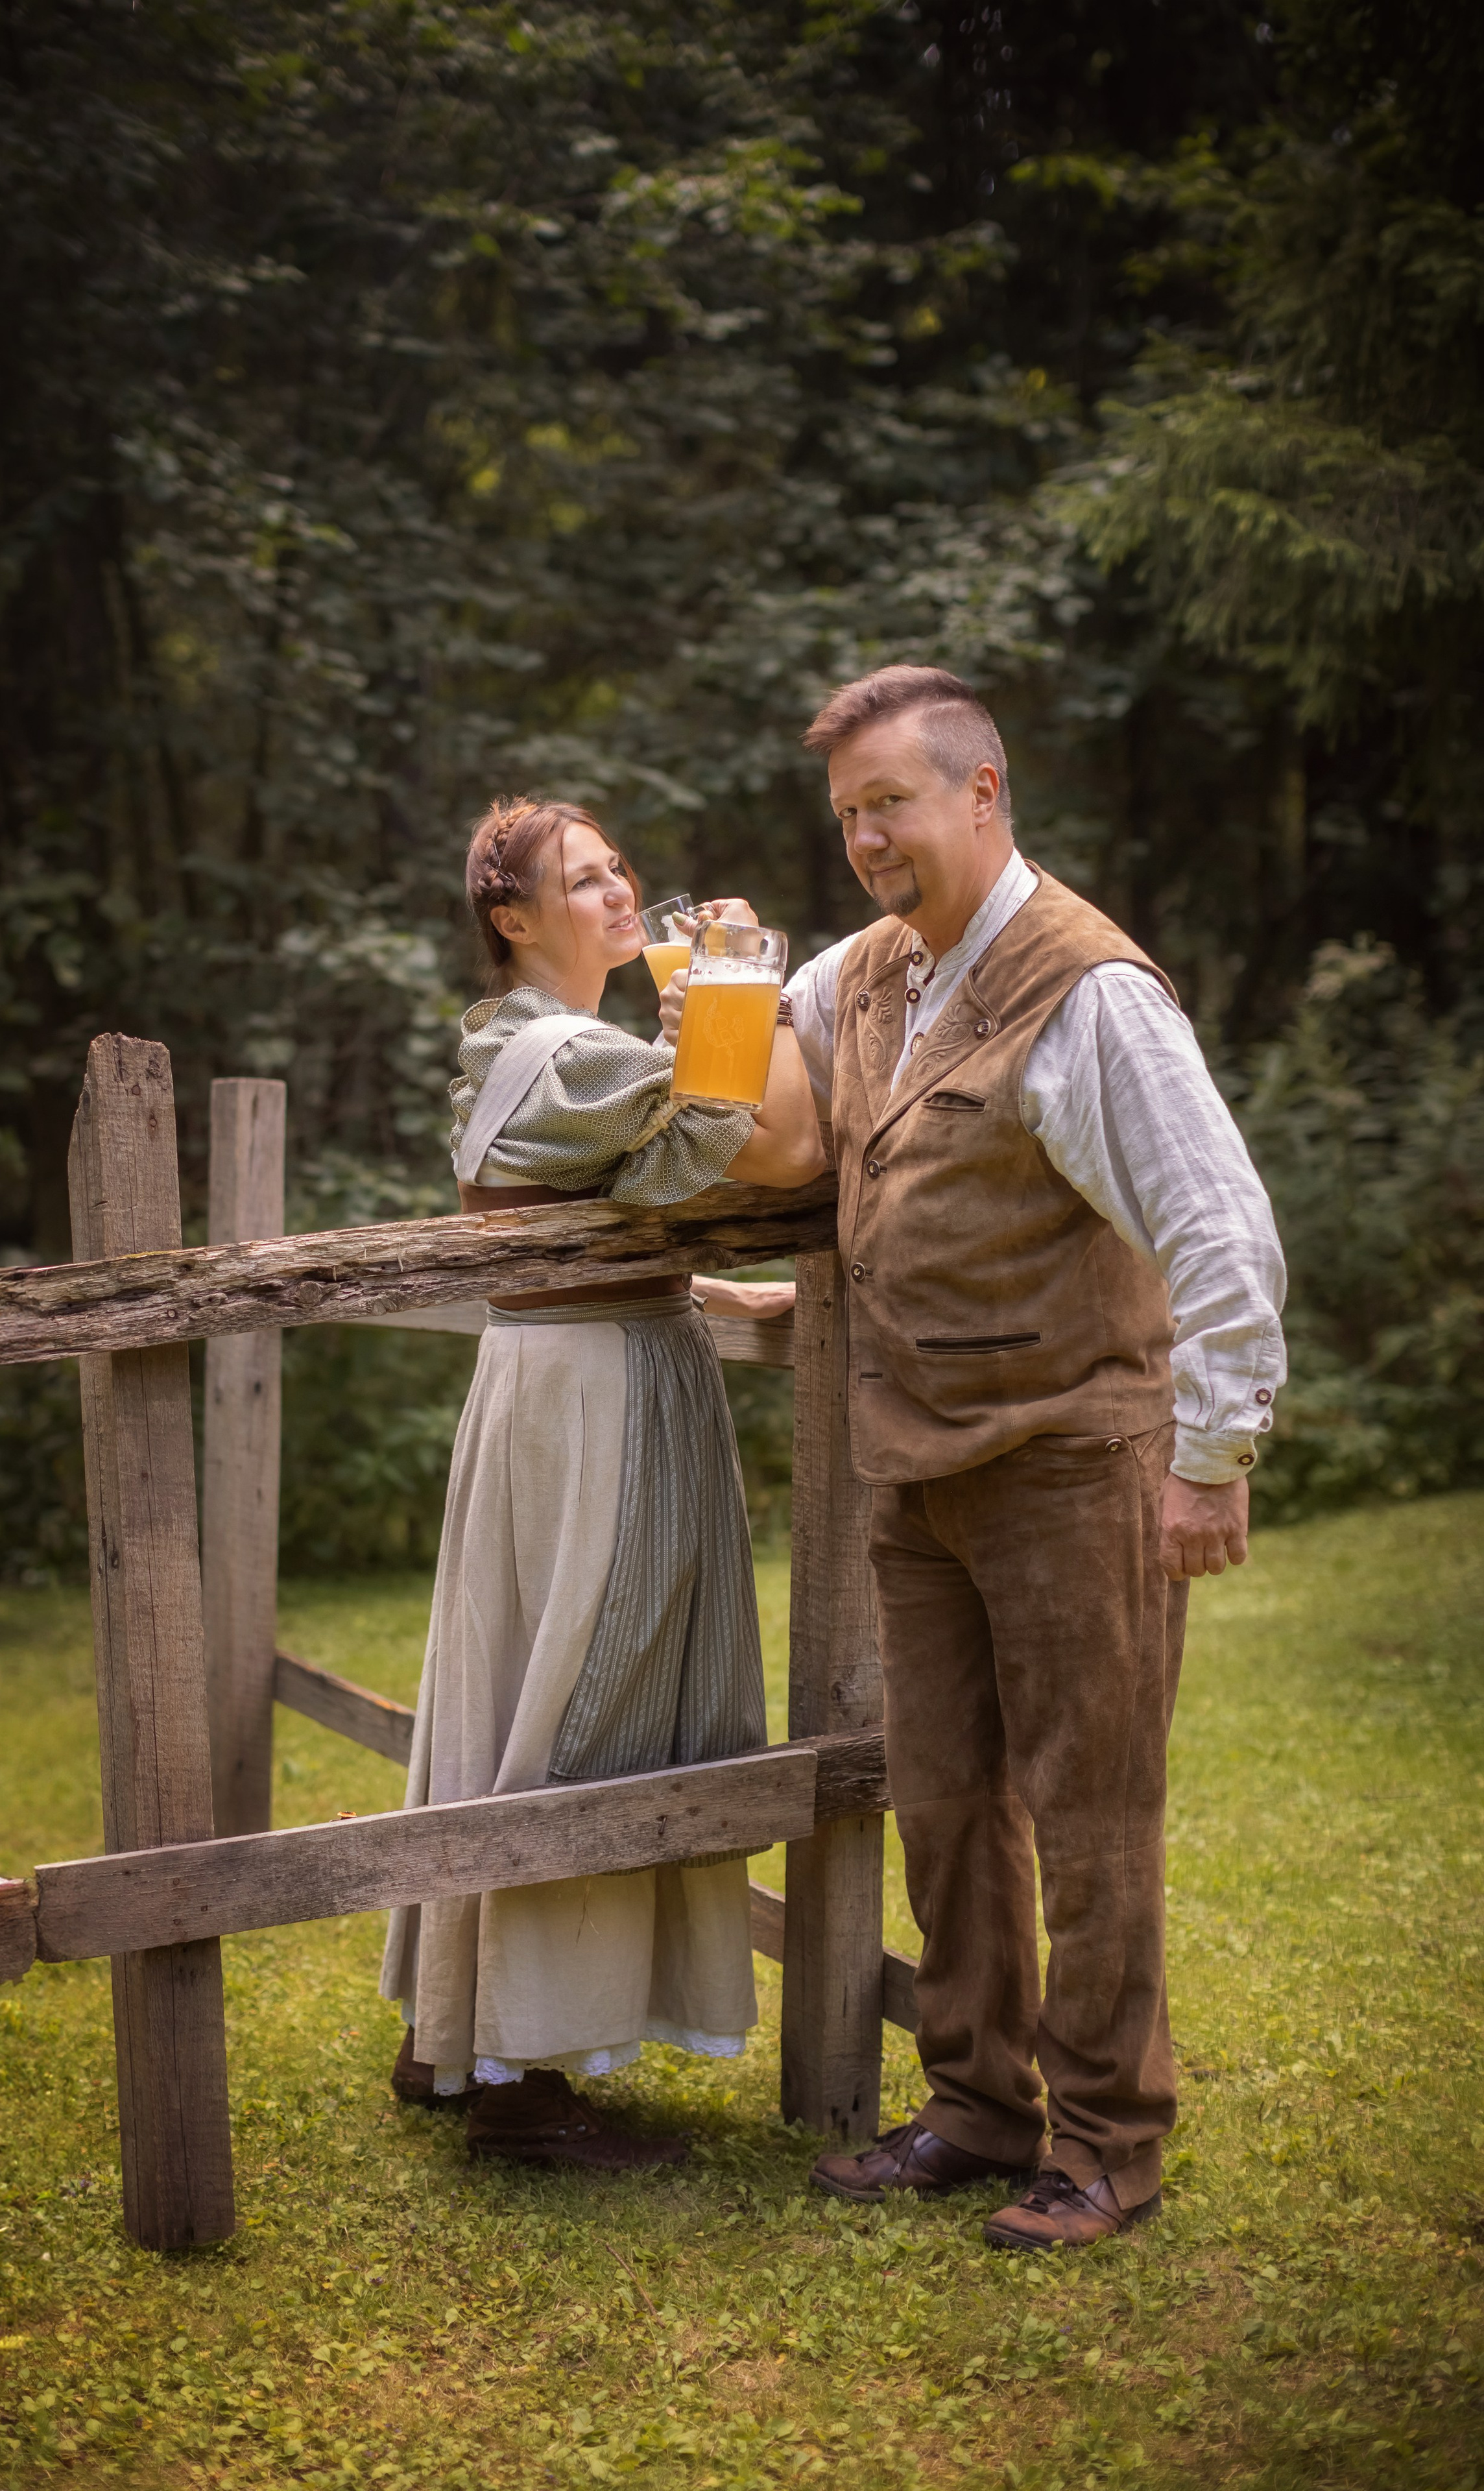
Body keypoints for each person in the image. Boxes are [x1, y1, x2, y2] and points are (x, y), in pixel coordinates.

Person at [664, 666, 1287, 2246]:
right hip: (916, 1466)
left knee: (1090, 1816)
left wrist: (1210, 1455)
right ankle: (975, 2110)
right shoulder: (870, 972)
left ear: (981, 793)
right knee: (944, 1808)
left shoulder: (1089, 990)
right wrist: (706, 992)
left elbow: (1218, 1230)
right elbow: (775, 1083)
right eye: (847, 815)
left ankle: (1107, 2147)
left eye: (891, 802)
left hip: (1075, 1456)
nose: (867, 838)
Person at [379, 794, 823, 2170]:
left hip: (561, 1376)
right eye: (582, 879)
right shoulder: (573, 1055)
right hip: (596, 1401)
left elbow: (592, 1219)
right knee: (593, 1689)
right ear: (511, 917)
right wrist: (745, 977)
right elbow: (787, 1149)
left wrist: (711, 1291)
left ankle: (459, 2031)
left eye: (618, 866)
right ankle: (520, 2073)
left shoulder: (535, 1045)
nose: (620, 890)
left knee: (531, 1673)